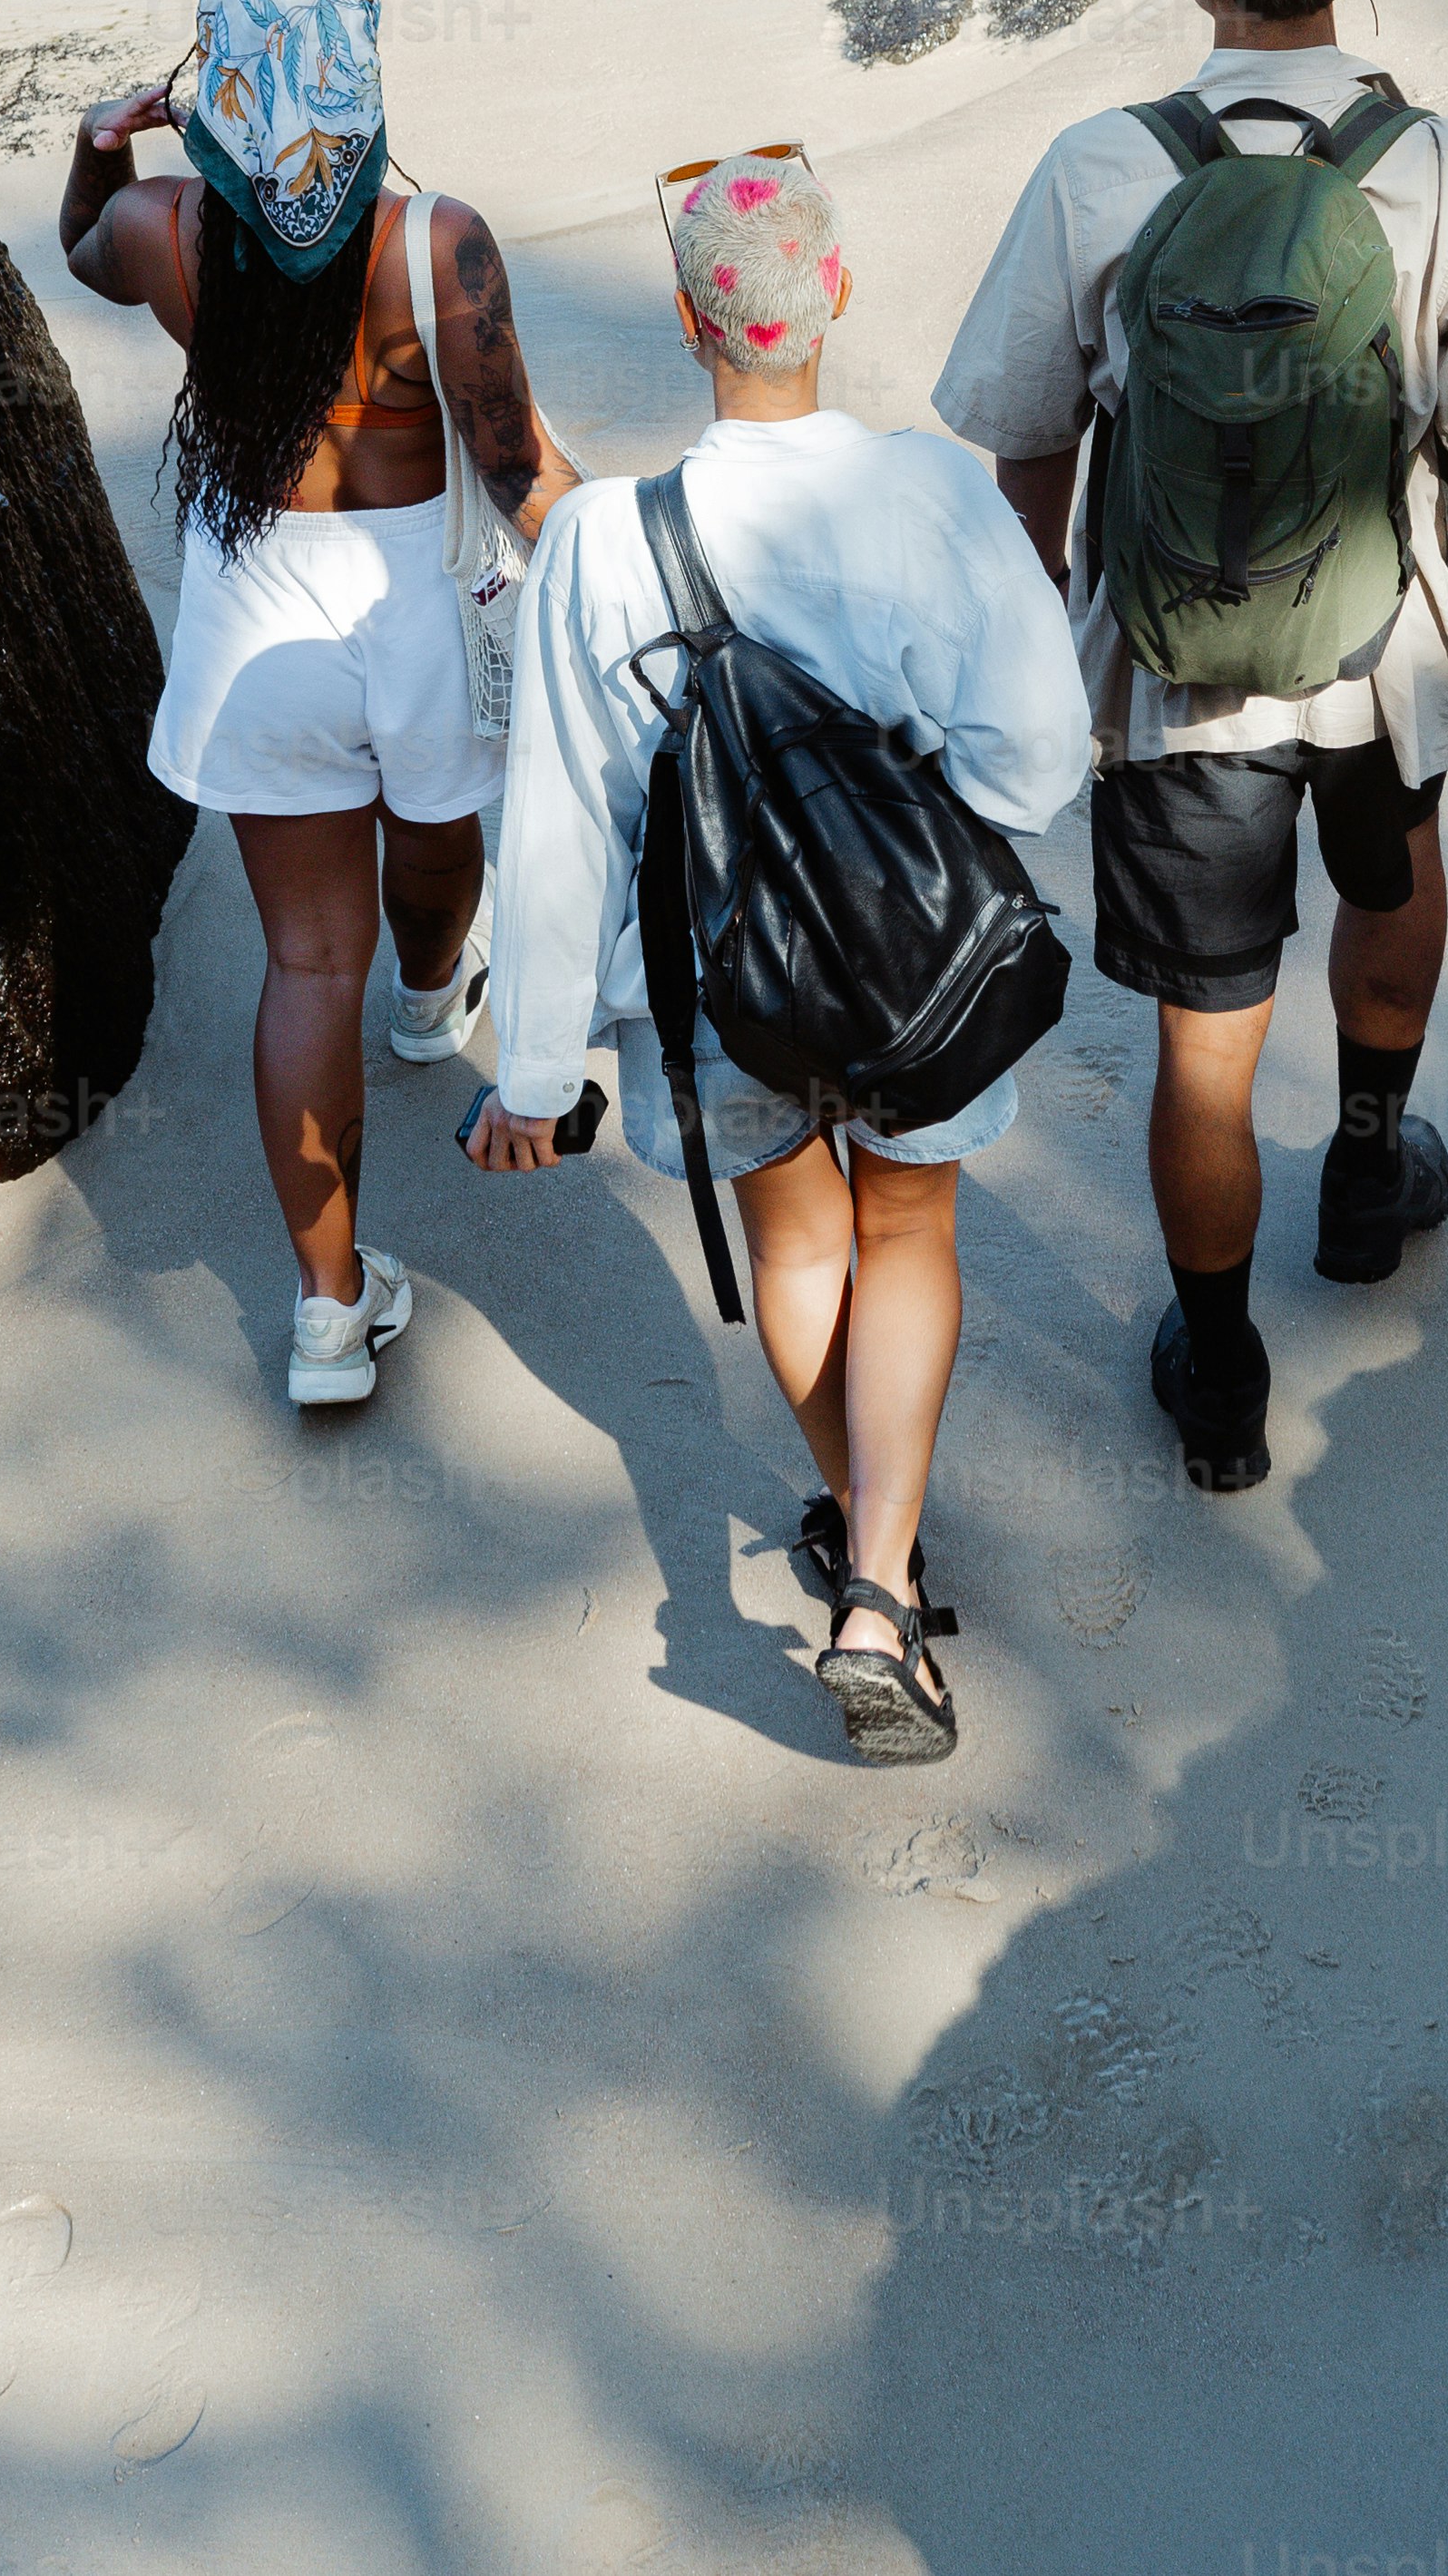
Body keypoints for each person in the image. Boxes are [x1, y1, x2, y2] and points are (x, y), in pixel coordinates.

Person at [933, 0, 1448, 1496]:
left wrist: (1026, 658)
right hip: (1387, 656)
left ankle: (1220, 1370)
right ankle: (1369, 1175)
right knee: (1393, 885)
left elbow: (1021, 463)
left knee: (1203, 1043)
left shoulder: (1100, 165)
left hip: (1173, 679)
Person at [467, 151, 1090, 1760]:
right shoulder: (937, 493)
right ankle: (878, 1584)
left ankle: (859, 1523)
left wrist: (530, 1069)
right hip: (912, 963)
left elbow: (560, 819)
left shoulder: (603, 542)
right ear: (837, 293)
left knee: (800, 1243)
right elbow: (1032, 763)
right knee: (913, 1223)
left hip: (716, 985)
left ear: (689, 318)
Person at [61, 0, 575, 1408]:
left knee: (302, 960)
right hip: (414, 602)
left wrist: (108, 137)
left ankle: (331, 1310)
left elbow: (87, 242)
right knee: (436, 828)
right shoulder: (437, 245)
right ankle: (434, 1001)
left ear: (215, 88)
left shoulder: (173, 233)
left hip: (257, 616)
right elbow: (518, 463)